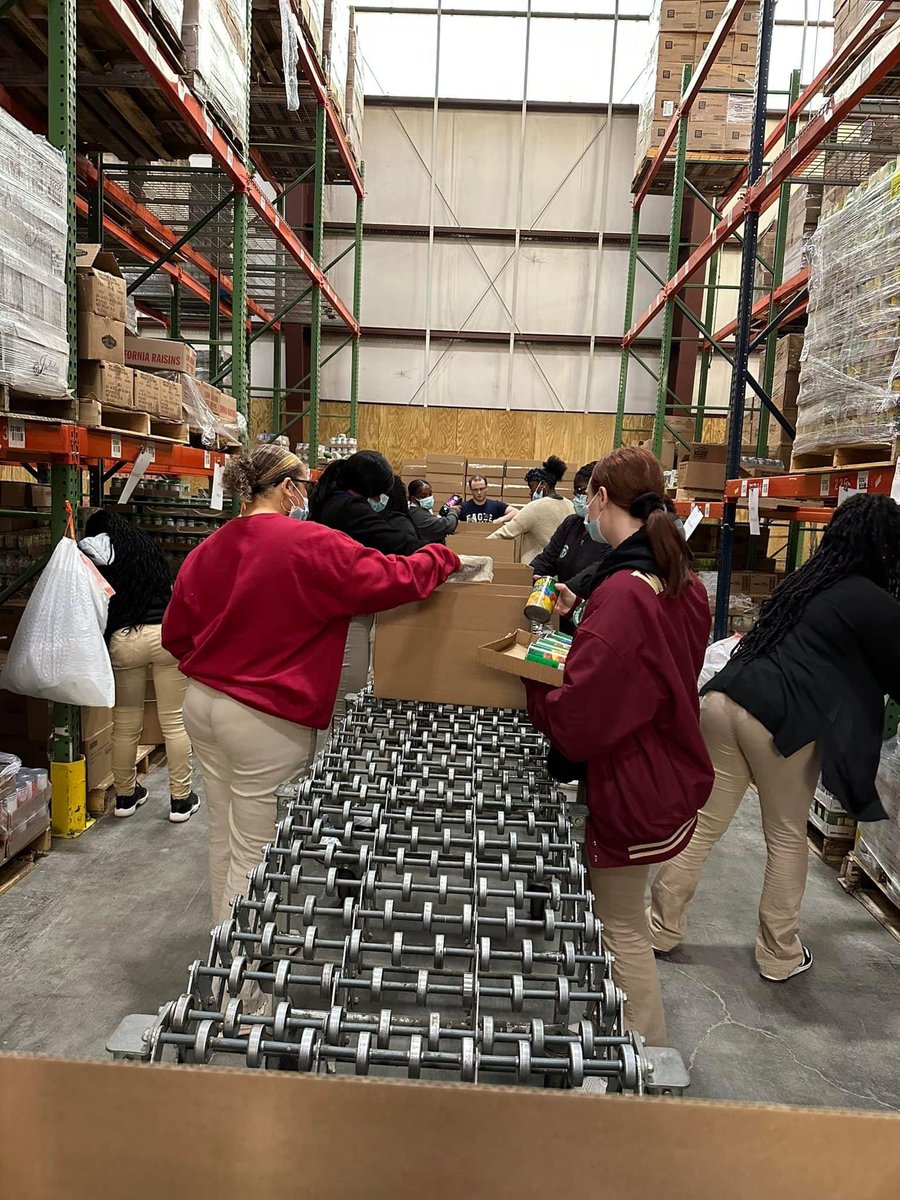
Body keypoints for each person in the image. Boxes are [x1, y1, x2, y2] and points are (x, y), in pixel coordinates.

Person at [162, 443, 459, 938]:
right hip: (265, 716)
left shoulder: (208, 549)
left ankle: (222, 955)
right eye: (303, 482)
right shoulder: (310, 543)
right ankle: (246, 991)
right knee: (257, 854)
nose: (308, 492)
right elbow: (392, 577)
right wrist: (440, 556)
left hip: (202, 703)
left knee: (224, 839)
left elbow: (176, 633)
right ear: (285, 488)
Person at [649, 492, 900, 982]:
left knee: (703, 825)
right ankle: (778, 954)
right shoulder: (875, 601)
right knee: (786, 837)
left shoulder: (807, 580)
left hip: (723, 701)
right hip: (781, 723)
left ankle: (660, 928)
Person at [523, 446, 713, 1047]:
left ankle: (642, 1059)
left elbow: (581, 717)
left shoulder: (626, 594)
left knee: (620, 926)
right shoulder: (677, 578)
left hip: (637, 780)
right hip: (667, 763)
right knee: (620, 918)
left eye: (589, 498)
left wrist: (535, 676)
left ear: (601, 499)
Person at [81, 510, 198, 823]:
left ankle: (125, 796)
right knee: (174, 721)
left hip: (124, 640)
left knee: (125, 722)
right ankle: (181, 800)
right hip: (163, 636)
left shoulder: (95, 549)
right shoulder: (144, 547)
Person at [310, 451, 424, 721]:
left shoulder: (329, 500)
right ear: (371, 490)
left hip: (326, 606)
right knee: (345, 695)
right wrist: (442, 557)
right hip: (344, 611)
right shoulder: (348, 509)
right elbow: (394, 542)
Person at [528, 461, 609, 633]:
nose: (578, 499)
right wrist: (529, 576)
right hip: (563, 616)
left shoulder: (608, 534)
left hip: (589, 619)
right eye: (576, 492)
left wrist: (561, 589)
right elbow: (547, 558)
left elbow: (595, 572)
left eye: (583, 493)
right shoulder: (571, 524)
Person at [487, 456, 575, 564]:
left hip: (536, 569)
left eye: (531, 487)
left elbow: (505, 532)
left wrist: (477, 547)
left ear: (542, 484)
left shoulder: (536, 507)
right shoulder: (570, 505)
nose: (530, 492)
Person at [408, 478, 459, 545]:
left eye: (430, 494)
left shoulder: (422, 511)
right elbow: (447, 525)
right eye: (424, 496)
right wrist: (453, 511)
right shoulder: (418, 515)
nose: (429, 498)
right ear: (413, 499)